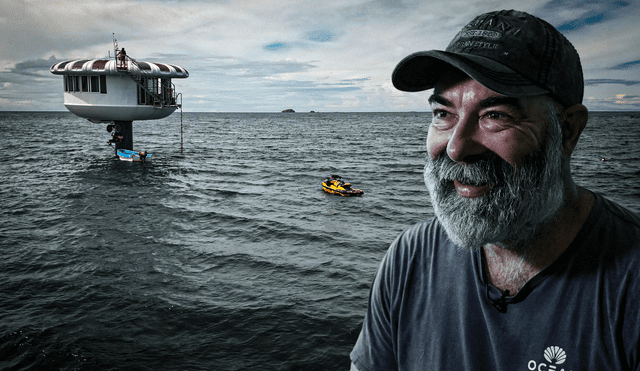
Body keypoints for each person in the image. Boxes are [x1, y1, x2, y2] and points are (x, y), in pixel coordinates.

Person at [350, 9, 640, 371]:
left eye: (496, 115)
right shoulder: (411, 257)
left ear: (568, 131)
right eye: (443, 113)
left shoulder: (629, 282)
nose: (456, 147)